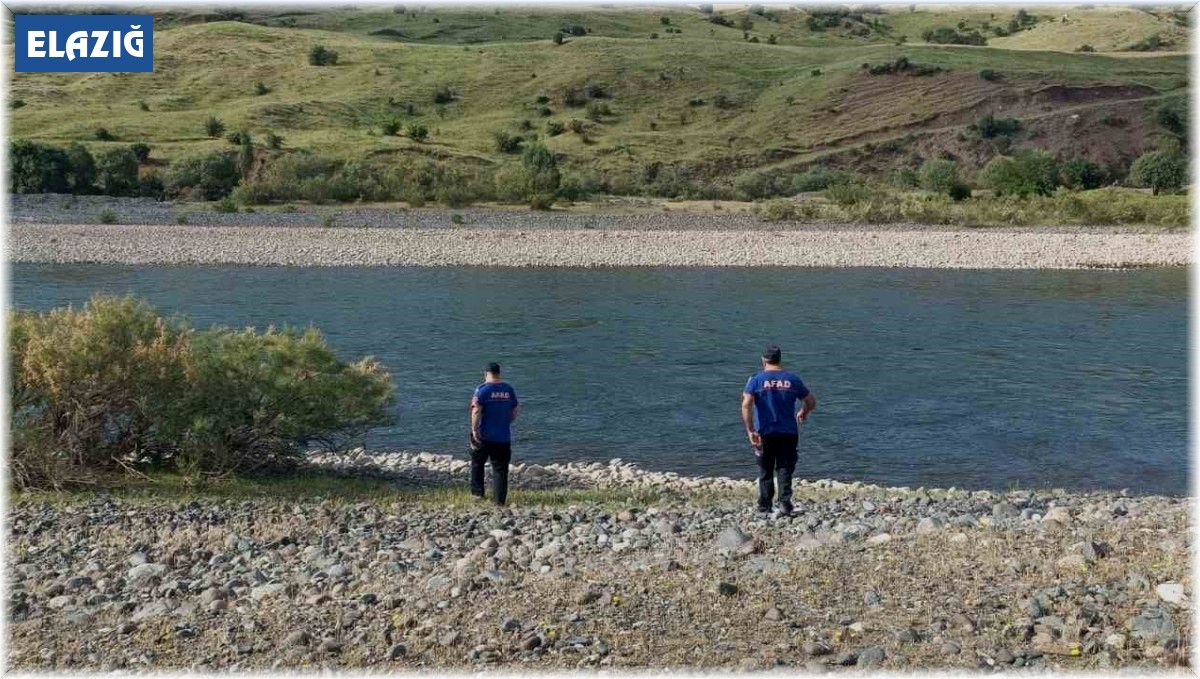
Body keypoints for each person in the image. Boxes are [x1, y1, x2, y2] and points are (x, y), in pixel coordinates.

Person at [740, 345, 816, 517]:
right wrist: (803, 412)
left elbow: (746, 405)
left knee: (766, 469)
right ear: (780, 359)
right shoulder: (792, 379)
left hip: (764, 431)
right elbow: (811, 401)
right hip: (788, 432)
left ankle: (764, 506)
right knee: (785, 468)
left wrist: (750, 430)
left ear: (763, 360)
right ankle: (784, 503)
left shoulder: (756, 380)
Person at [469, 362, 520, 506]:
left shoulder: (482, 390)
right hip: (503, 436)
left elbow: (476, 410)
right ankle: (499, 501)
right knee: (500, 469)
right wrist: (507, 420)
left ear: (485, 374)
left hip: (484, 435)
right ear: (499, 373)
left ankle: (478, 494)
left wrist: (474, 429)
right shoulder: (508, 389)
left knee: (477, 463)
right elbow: (516, 408)